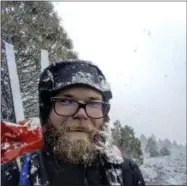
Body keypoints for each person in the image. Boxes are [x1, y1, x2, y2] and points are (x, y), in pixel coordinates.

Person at [1, 60, 146, 186]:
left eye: (93, 103)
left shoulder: (127, 174)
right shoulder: (15, 174)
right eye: (66, 101)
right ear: (47, 112)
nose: (81, 114)